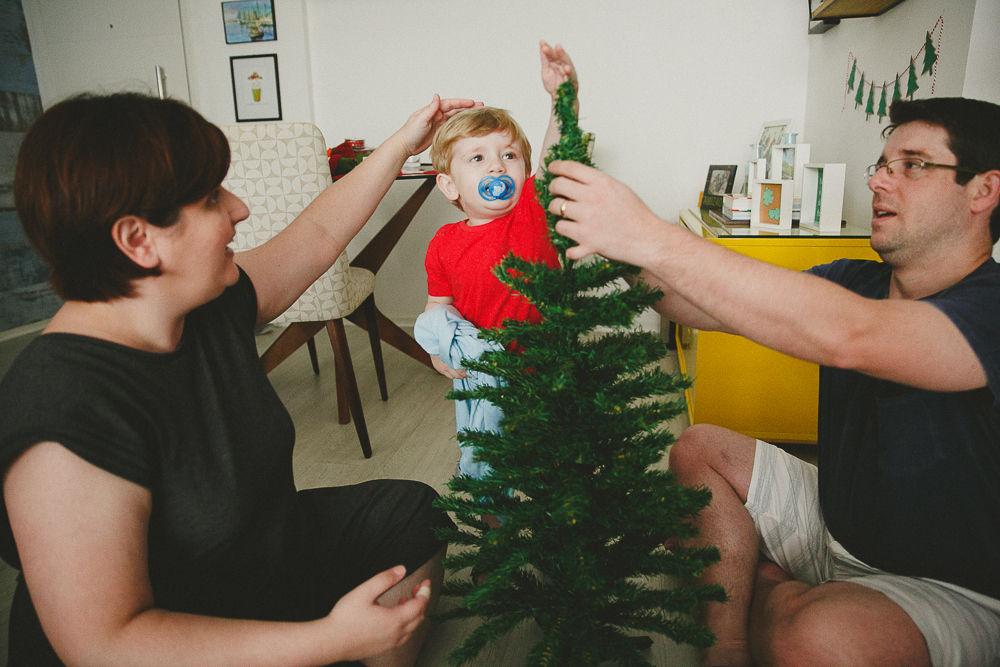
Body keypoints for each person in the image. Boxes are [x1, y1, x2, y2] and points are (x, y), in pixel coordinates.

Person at [0, 90, 480, 667]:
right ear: (138, 240)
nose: (239, 208)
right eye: (211, 197)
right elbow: (106, 643)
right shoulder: (62, 407)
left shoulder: (200, 307)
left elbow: (318, 235)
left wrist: (404, 143)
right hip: (161, 636)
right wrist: (330, 641)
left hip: (246, 558)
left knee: (410, 514)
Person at [543, 96, 1000, 667]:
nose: (879, 181)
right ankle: (731, 644)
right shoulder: (854, 278)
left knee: (813, 640)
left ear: (983, 190)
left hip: (950, 584)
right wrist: (612, 243)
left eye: (911, 165)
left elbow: (853, 335)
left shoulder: (990, 307)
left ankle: (758, 583)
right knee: (697, 447)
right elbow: (697, 303)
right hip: (836, 522)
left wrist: (648, 235)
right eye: (882, 164)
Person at [414, 41, 574, 497]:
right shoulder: (444, 243)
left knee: (550, 469)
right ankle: (493, 531)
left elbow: (556, 156)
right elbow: (438, 309)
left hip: (543, 373)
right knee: (487, 463)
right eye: (478, 158)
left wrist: (562, 99)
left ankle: (555, 526)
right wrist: (437, 351)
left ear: (524, 171)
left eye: (509, 155)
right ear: (450, 186)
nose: (497, 167)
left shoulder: (531, 213)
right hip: (485, 379)